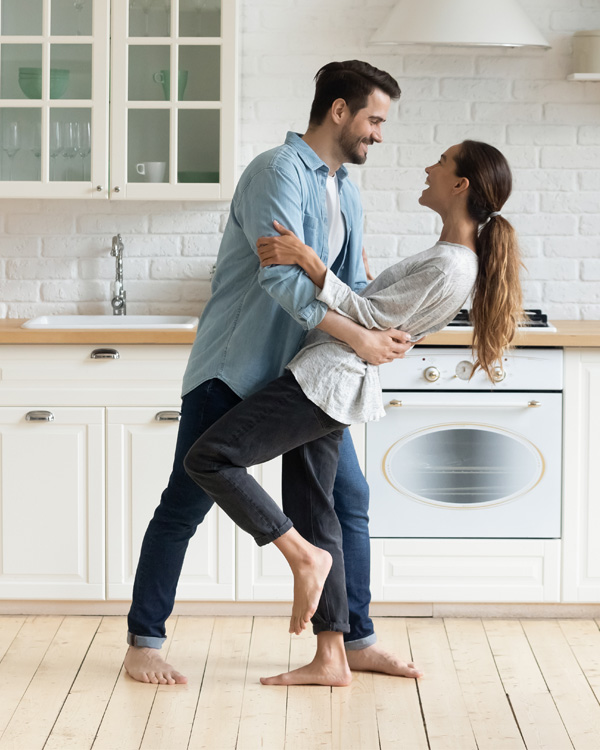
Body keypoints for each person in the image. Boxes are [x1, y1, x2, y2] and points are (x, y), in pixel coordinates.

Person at [183, 139, 523, 686]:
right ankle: (332, 655)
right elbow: (375, 311)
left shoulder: (452, 262)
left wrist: (312, 263)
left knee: (211, 458)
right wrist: (352, 277)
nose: (428, 165)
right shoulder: (450, 257)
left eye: (441, 161)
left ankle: (299, 556)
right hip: (331, 379)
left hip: (323, 380)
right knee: (320, 510)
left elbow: (365, 319)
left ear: (461, 185)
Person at [124, 60, 418, 686]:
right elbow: (280, 277)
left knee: (349, 500)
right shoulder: (276, 173)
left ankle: (354, 639)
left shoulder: (346, 188)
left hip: (304, 377)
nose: (379, 134)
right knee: (185, 504)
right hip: (236, 368)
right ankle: (143, 641)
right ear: (338, 111)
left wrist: (377, 326)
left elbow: (351, 283)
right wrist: (359, 335)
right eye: (374, 119)